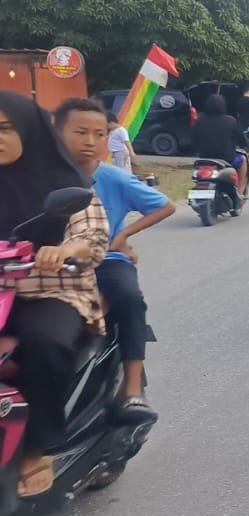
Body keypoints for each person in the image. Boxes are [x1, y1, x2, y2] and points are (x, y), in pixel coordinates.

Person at [0, 91, 109, 498]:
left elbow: (91, 235)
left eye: (6, 129)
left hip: (52, 291)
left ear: (29, 131)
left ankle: (37, 448)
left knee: (43, 343)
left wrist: (66, 250)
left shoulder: (66, 183)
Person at [54, 99, 172, 424]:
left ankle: (133, 388)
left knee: (130, 299)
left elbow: (165, 206)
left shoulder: (113, 178)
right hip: (53, 264)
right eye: (80, 132)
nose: (91, 142)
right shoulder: (42, 177)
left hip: (107, 259)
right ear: (57, 132)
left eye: (100, 134)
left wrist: (123, 236)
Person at [192, 93, 249, 208]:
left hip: (204, 158)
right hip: (226, 159)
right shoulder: (230, 121)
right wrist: (247, 144)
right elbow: (242, 140)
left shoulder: (200, 121)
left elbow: (193, 138)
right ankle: (239, 192)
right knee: (243, 159)